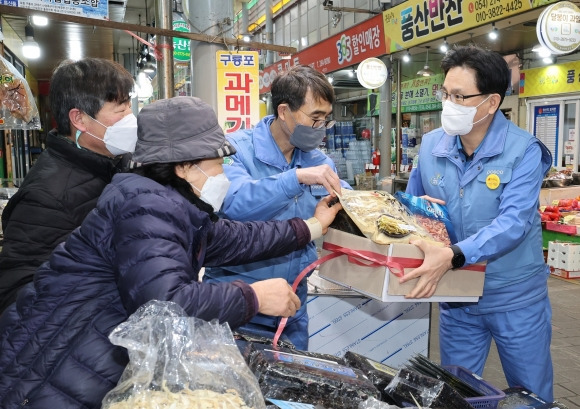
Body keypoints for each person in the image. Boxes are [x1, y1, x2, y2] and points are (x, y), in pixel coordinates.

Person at [0, 96, 342, 409]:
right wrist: (252, 297)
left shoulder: (173, 206)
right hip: (54, 372)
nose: (222, 173)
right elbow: (165, 303)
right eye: (215, 162)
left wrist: (312, 226)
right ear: (183, 166)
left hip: (84, 360)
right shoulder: (146, 206)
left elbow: (239, 238)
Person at [403, 45, 553, 401]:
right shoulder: (430, 146)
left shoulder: (524, 150)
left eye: (459, 96)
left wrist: (454, 253)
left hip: (515, 297)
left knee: (529, 394)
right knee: (458, 393)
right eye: (446, 93)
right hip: (457, 296)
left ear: (491, 102)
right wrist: (413, 210)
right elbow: (410, 206)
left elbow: (514, 222)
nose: (448, 104)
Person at [204, 65, 350, 350]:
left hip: (293, 307)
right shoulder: (235, 150)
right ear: (284, 112)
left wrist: (401, 208)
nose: (320, 128)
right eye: (315, 118)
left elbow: (344, 200)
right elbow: (234, 204)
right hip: (239, 306)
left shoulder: (318, 161)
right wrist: (294, 179)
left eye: (326, 120)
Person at [0, 58, 137, 313]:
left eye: (130, 107)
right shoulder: (46, 197)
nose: (130, 118)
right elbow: (16, 295)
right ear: (80, 119)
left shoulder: (115, 163)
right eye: (120, 110)